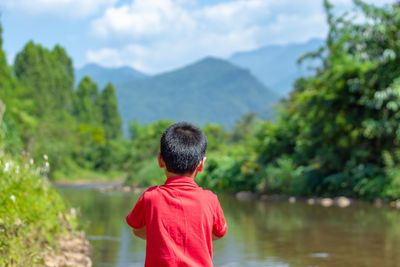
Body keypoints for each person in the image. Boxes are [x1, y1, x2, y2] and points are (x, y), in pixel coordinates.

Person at [126, 122, 227, 267]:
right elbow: (219, 233)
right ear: (201, 164)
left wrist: (162, 236)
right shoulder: (210, 199)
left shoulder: (151, 197)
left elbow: (137, 229)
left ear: (160, 160)